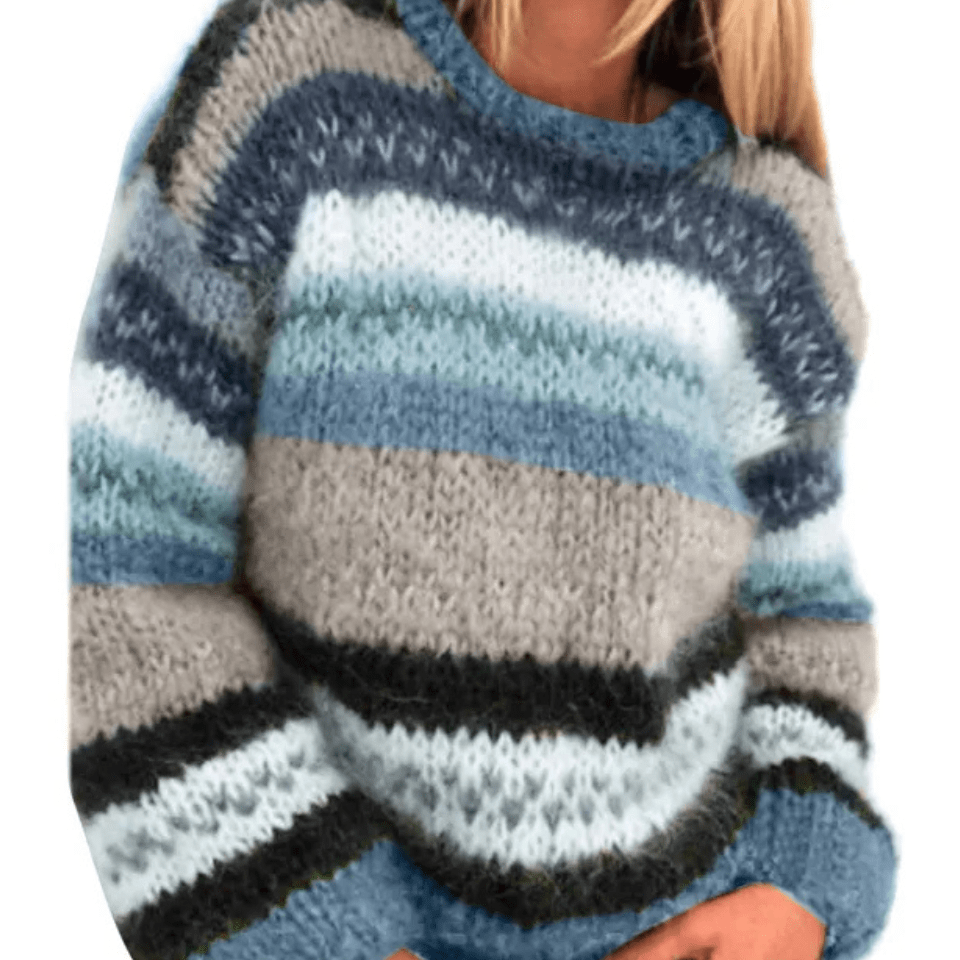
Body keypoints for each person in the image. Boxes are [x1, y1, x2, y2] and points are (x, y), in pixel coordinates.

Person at [66, 1, 898, 959]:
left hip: (689, 915)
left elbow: (801, 615)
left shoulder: (770, 221)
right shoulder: (295, 96)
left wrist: (798, 879)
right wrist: (322, 942)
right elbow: (126, 581)